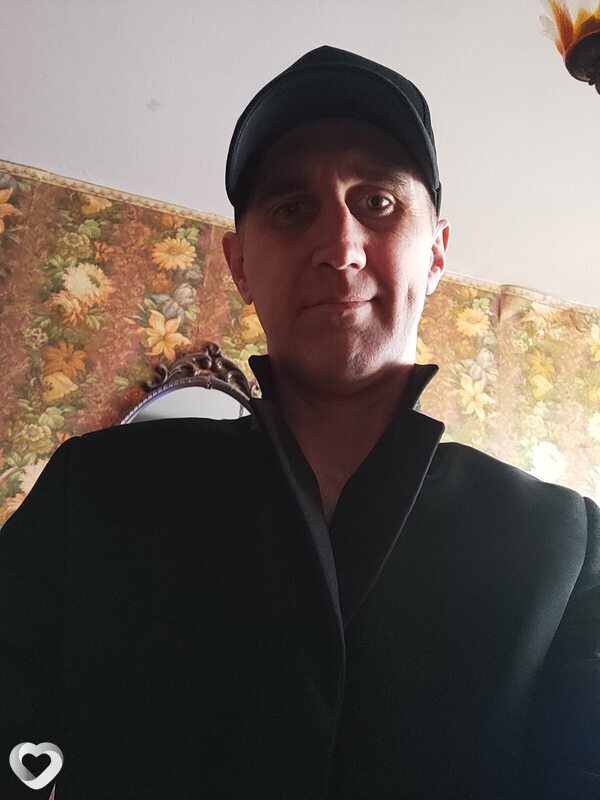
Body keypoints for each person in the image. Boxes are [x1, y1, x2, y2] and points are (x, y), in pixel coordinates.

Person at [0, 45, 598, 800]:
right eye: (291, 208)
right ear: (240, 264)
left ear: (437, 253)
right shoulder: (95, 488)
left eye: (377, 202)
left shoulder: (566, 542)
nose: (340, 247)